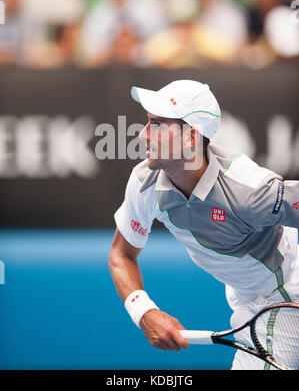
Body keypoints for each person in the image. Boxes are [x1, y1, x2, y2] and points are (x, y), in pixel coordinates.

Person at [109, 79, 299, 370]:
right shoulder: (144, 182)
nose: (144, 134)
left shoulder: (249, 190)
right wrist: (144, 312)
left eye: (158, 125)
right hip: (245, 297)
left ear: (190, 138)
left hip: (285, 292)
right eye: (147, 122)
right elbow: (121, 255)